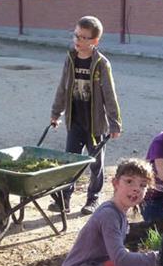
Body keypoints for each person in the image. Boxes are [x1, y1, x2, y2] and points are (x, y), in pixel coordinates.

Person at [49, 15, 122, 216]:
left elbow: (109, 94)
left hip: (95, 124)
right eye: (76, 36)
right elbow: (63, 88)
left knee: (95, 163)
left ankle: (93, 198)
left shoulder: (101, 63)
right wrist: (56, 113)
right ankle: (65, 199)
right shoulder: (70, 58)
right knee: (70, 161)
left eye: (83, 38)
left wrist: (115, 123)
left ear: (95, 41)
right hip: (75, 121)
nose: (78, 41)